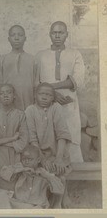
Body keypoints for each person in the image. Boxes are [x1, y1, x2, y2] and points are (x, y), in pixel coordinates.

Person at [34, 21, 85, 162]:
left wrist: (50, 88)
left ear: (66, 34)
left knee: (70, 136)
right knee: (48, 135)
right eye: (54, 32)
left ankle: (75, 180)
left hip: (68, 104)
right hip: (46, 103)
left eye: (61, 32)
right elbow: (36, 83)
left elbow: (76, 81)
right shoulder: (40, 55)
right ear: (50, 34)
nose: (57, 35)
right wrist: (52, 95)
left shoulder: (75, 54)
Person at [0, 84, 28, 190]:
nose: (5, 95)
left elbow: (23, 141)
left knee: (13, 187)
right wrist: (12, 139)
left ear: (14, 96)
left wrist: (1, 142)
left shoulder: (20, 115)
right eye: (2, 93)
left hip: (14, 155)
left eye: (9, 92)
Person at [25, 83, 72, 175]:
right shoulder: (30, 110)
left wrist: (59, 158)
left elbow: (62, 134)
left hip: (57, 153)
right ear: (35, 95)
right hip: (38, 154)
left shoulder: (56, 108)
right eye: (41, 94)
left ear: (53, 97)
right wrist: (42, 159)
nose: (44, 97)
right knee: (39, 176)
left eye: (48, 95)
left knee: (60, 174)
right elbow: (32, 139)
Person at [0, 145, 65, 209]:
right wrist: (21, 169)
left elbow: (60, 189)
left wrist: (47, 176)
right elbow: (3, 173)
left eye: (30, 159)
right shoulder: (20, 168)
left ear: (38, 160)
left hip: (38, 205)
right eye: (24, 159)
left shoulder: (44, 172)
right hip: (19, 203)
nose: (26, 161)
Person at [0, 25, 35, 110]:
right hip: (8, 104)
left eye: (20, 35)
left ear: (25, 38)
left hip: (28, 102)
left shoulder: (32, 59)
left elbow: (36, 84)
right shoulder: (2, 59)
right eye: (13, 35)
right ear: (9, 39)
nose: (16, 38)